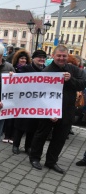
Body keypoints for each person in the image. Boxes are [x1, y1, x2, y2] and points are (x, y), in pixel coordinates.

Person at [29, 45, 86, 174]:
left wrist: (70, 80)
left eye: (64, 56)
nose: (61, 58)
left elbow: (82, 84)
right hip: (49, 111)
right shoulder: (46, 72)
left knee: (60, 138)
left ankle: (51, 161)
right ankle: (34, 158)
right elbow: (39, 95)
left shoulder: (73, 70)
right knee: (41, 134)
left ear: (67, 56)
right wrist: (48, 112)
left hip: (67, 111)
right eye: (59, 56)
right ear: (53, 56)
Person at [12, 50, 46, 155]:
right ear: (34, 58)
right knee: (20, 125)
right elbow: (17, 81)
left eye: (43, 57)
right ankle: (16, 145)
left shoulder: (46, 71)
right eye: (39, 57)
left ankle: (28, 147)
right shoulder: (25, 69)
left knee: (33, 126)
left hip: (38, 103)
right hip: (24, 102)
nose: (41, 59)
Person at [2, 49, 31, 144]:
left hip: (23, 98)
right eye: (21, 58)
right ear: (17, 59)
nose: (23, 60)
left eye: (25, 59)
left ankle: (14, 136)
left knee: (17, 118)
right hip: (12, 96)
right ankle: (7, 135)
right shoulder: (13, 69)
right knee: (9, 116)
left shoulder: (29, 70)